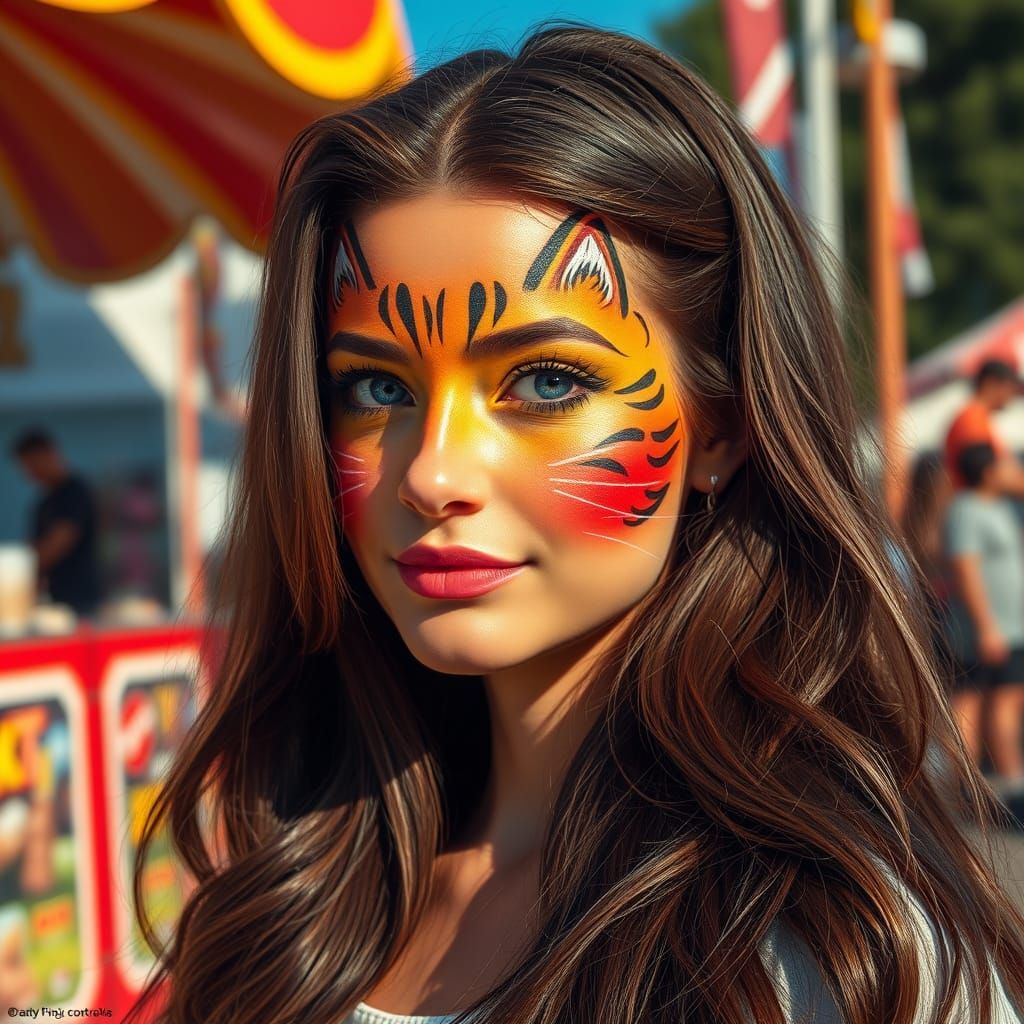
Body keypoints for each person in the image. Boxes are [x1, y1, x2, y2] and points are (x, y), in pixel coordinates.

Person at [129, 26, 1024, 1024]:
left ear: (723, 425)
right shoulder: (282, 906)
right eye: (378, 388)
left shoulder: (837, 959)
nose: (431, 473)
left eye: (547, 381)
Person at [943, 442, 1024, 792]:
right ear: (989, 472)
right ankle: (975, 784)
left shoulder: (1000, 506)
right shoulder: (965, 510)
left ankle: (1003, 779)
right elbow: (965, 570)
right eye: (1005, 465)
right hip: (987, 630)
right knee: (975, 700)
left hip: (1010, 628)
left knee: (1006, 697)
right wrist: (986, 626)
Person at [11, 429, 101, 616]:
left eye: (32, 464)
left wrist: (17, 570)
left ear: (49, 454)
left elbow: (58, 543)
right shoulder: (44, 502)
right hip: (53, 599)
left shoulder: (74, 492)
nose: (29, 472)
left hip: (78, 600)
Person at [944, 358, 1024, 495]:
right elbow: (989, 474)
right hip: (975, 499)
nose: (1012, 396)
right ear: (990, 384)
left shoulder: (977, 417)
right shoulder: (972, 419)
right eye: (1009, 388)